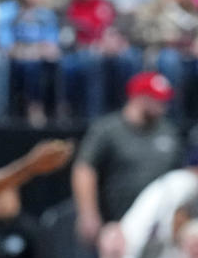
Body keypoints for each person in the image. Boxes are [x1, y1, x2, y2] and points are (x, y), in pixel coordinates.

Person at [72, 71, 183, 245]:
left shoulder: (169, 132)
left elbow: (179, 178)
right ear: (139, 98)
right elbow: (85, 169)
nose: (164, 105)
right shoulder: (108, 130)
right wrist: (88, 213)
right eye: (158, 99)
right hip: (115, 224)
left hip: (158, 228)